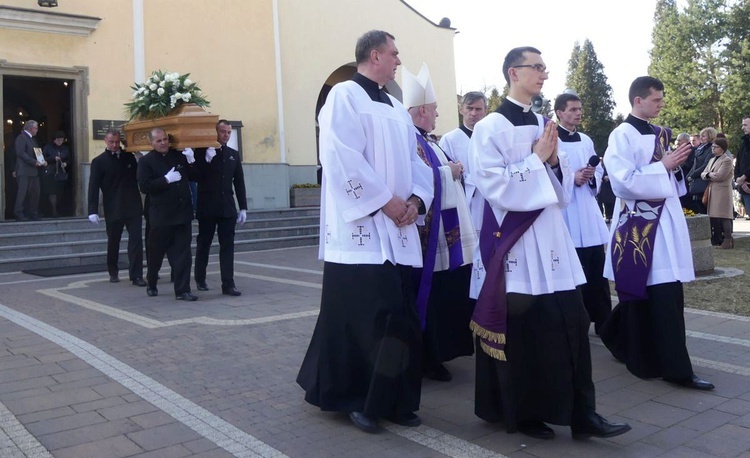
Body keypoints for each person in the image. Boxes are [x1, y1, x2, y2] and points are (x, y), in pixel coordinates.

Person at [468, 46, 630, 441]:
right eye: (535, 67)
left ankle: (582, 414)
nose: (543, 73)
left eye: (544, 67)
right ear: (513, 73)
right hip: (518, 243)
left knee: (573, 323)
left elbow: (561, 188)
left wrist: (554, 164)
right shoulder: (490, 127)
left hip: (553, 239)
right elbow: (493, 188)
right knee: (526, 332)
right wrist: (538, 160)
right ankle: (525, 412)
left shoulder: (544, 122)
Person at [296, 30, 433, 434]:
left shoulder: (394, 106)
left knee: (402, 316)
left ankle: (397, 399)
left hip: (399, 227)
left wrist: (416, 202)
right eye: (393, 54)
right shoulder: (342, 96)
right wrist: (384, 202)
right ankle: (359, 399)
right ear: (374, 55)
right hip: (363, 231)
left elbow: (417, 161)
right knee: (370, 318)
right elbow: (340, 157)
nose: (397, 61)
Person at [600, 76, 714, 391]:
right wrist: (662, 166)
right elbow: (622, 181)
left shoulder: (661, 133)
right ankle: (675, 369)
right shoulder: (620, 135)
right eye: (657, 99)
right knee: (655, 295)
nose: (662, 104)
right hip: (638, 226)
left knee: (660, 293)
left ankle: (617, 336)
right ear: (638, 100)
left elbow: (674, 181)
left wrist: (677, 165)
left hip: (664, 223)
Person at [403, 63, 476, 382]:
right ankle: (428, 355)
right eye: (433, 109)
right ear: (420, 110)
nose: (435, 115)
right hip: (427, 238)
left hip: (444, 234)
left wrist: (449, 169)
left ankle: (438, 351)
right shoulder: (412, 140)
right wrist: (452, 172)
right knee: (429, 296)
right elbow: (419, 180)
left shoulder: (429, 140)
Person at [554, 93, 611, 335]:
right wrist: (570, 178)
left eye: (579, 109)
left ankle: (604, 321)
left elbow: (598, 170)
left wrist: (589, 177)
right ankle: (576, 321)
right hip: (566, 212)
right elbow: (548, 171)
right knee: (575, 270)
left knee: (596, 267)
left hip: (588, 211)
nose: (578, 113)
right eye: (573, 109)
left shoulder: (586, 139)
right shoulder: (551, 139)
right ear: (559, 113)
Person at [137, 127, 199, 301]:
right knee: (155, 253)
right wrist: (165, 180)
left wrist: (191, 160)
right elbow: (145, 186)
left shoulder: (178, 156)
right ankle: (152, 282)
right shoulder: (146, 161)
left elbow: (195, 176)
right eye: (159, 140)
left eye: (165, 139)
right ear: (151, 143)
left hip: (182, 213)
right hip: (161, 216)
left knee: (183, 255)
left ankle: (182, 290)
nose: (163, 143)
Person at [193, 120, 248, 296]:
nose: (225, 135)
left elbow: (238, 182)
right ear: (215, 132)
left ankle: (228, 284)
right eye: (222, 131)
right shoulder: (203, 151)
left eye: (228, 132)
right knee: (204, 243)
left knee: (227, 246)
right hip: (207, 206)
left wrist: (243, 208)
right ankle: (200, 278)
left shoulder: (233, 154)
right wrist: (205, 160)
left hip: (227, 207)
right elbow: (195, 175)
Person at [88, 129, 146, 286]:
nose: (114, 145)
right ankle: (113, 270)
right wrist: (92, 210)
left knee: (136, 241)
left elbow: (141, 175)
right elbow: (93, 187)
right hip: (113, 207)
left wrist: (139, 157)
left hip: (133, 205)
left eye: (116, 141)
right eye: (111, 142)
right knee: (114, 240)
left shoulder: (130, 156)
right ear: (105, 141)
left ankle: (137, 275)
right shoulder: (99, 161)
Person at [439, 91, 488, 231]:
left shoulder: (492, 137)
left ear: (485, 111)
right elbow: (446, 175)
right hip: (465, 202)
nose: (473, 113)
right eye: (469, 108)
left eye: (478, 109)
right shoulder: (449, 140)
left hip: (490, 200)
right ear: (461, 110)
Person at [702, 138, 734, 248]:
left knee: (724, 215)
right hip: (712, 190)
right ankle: (718, 238)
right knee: (714, 215)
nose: (713, 149)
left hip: (722, 191)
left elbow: (720, 176)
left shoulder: (727, 160)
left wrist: (709, 174)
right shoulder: (712, 159)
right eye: (712, 147)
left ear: (723, 148)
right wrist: (709, 175)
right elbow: (704, 173)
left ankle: (728, 239)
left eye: (716, 147)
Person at [14, 120, 45, 221]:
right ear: (31, 128)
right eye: (36, 128)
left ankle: (33, 213)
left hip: (34, 171)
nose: (37, 130)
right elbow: (21, 153)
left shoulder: (32, 139)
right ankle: (18, 213)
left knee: (35, 192)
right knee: (22, 193)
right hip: (24, 170)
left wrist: (43, 161)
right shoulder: (22, 137)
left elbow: (36, 151)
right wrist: (33, 162)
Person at [686, 127, 717, 214]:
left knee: (703, 206)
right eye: (700, 136)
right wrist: (688, 176)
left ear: (710, 136)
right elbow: (695, 164)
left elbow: (705, 165)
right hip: (696, 180)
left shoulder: (711, 149)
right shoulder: (700, 149)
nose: (701, 138)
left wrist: (692, 175)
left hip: (703, 181)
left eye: (703, 136)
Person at [42, 130, 71, 217]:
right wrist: (53, 158)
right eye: (58, 139)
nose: (60, 141)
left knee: (60, 193)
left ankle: (58, 209)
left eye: (61, 139)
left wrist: (66, 163)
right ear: (54, 140)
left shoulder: (65, 149)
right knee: (52, 192)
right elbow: (42, 158)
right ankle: (53, 211)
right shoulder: (48, 147)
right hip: (50, 173)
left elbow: (69, 159)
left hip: (61, 174)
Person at [734, 117, 750, 218]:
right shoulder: (744, 143)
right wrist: (739, 179)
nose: (742, 127)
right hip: (744, 187)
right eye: (742, 125)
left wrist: (744, 177)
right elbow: (738, 163)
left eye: (745, 125)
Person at [675, 132, 695, 209]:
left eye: (679, 140)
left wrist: (678, 164)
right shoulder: (678, 149)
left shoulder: (691, 150)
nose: (678, 142)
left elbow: (690, 164)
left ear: (686, 140)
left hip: (687, 178)